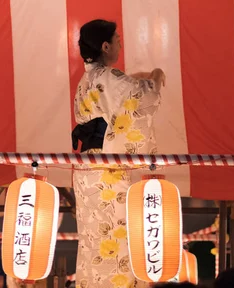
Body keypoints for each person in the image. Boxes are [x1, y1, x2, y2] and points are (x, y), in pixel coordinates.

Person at [73, 19, 165, 288]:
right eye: (117, 41)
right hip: (108, 172)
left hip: (89, 169)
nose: (119, 45)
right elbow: (143, 98)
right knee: (119, 239)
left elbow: (120, 95)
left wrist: (137, 79)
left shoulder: (88, 78)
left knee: (94, 241)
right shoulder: (106, 77)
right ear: (105, 45)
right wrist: (156, 76)